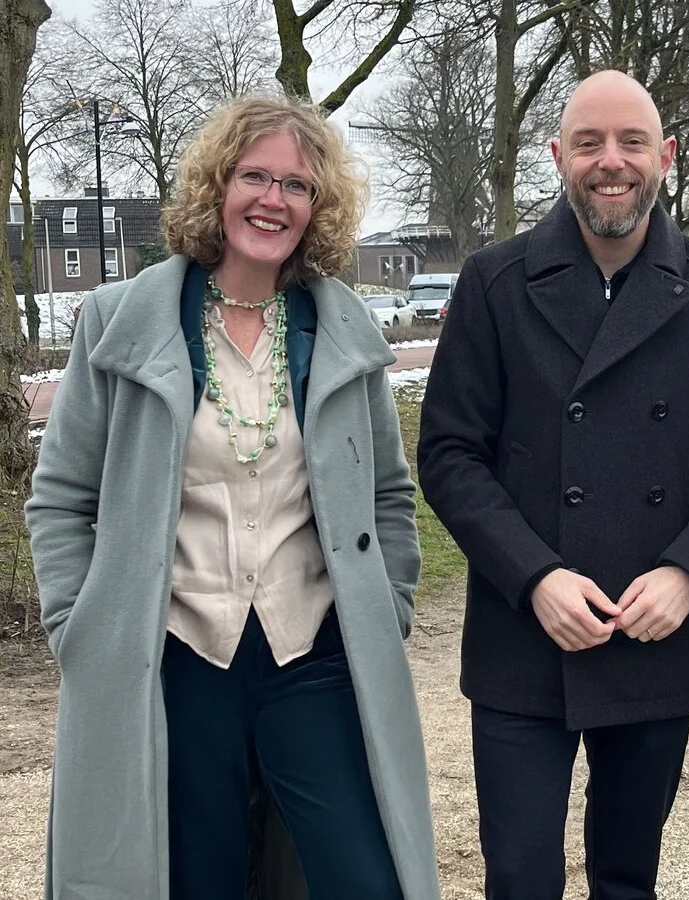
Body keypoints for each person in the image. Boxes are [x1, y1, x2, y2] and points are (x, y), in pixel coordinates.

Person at [26, 96, 441, 900]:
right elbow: (60, 496)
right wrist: (80, 629)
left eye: (296, 185)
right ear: (218, 186)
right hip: (177, 658)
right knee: (195, 879)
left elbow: (390, 492)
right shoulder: (121, 322)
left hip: (312, 657)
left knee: (370, 876)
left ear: (317, 208)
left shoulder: (341, 326)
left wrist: (386, 604)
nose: (272, 200)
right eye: (255, 176)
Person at [417, 69, 689, 900]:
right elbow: (448, 453)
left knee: (627, 877)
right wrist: (534, 576)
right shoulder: (494, 281)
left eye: (630, 143)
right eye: (589, 143)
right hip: (524, 635)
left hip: (656, 634)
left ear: (667, 155)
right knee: (518, 878)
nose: (610, 162)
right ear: (557, 157)